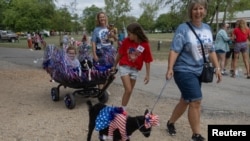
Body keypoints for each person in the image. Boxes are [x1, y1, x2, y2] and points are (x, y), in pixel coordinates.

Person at [165, 1, 222, 141]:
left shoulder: (207, 28)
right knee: (195, 101)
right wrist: (170, 68)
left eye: (201, 8)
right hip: (183, 70)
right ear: (191, 11)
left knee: (185, 100)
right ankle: (196, 135)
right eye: (195, 9)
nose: (198, 12)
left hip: (199, 70)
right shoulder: (183, 28)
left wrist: (218, 68)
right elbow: (174, 49)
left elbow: (211, 50)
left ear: (205, 11)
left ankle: (170, 122)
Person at [112, 22, 153, 111]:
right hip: (124, 67)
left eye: (129, 33)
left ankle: (123, 108)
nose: (128, 35)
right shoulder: (127, 41)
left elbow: (147, 60)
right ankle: (121, 112)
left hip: (135, 70)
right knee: (128, 89)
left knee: (129, 92)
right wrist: (114, 65)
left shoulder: (145, 44)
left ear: (135, 34)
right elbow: (120, 54)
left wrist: (148, 74)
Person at [91, 11, 116, 90]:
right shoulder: (96, 29)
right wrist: (94, 54)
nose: (102, 18)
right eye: (100, 17)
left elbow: (114, 40)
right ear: (98, 19)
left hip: (109, 52)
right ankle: (101, 89)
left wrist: (113, 36)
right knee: (101, 70)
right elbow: (93, 42)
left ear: (106, 18)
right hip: (100, 52)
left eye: (103, 17)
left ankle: (104, 88)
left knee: (109, 71)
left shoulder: (109, 28)